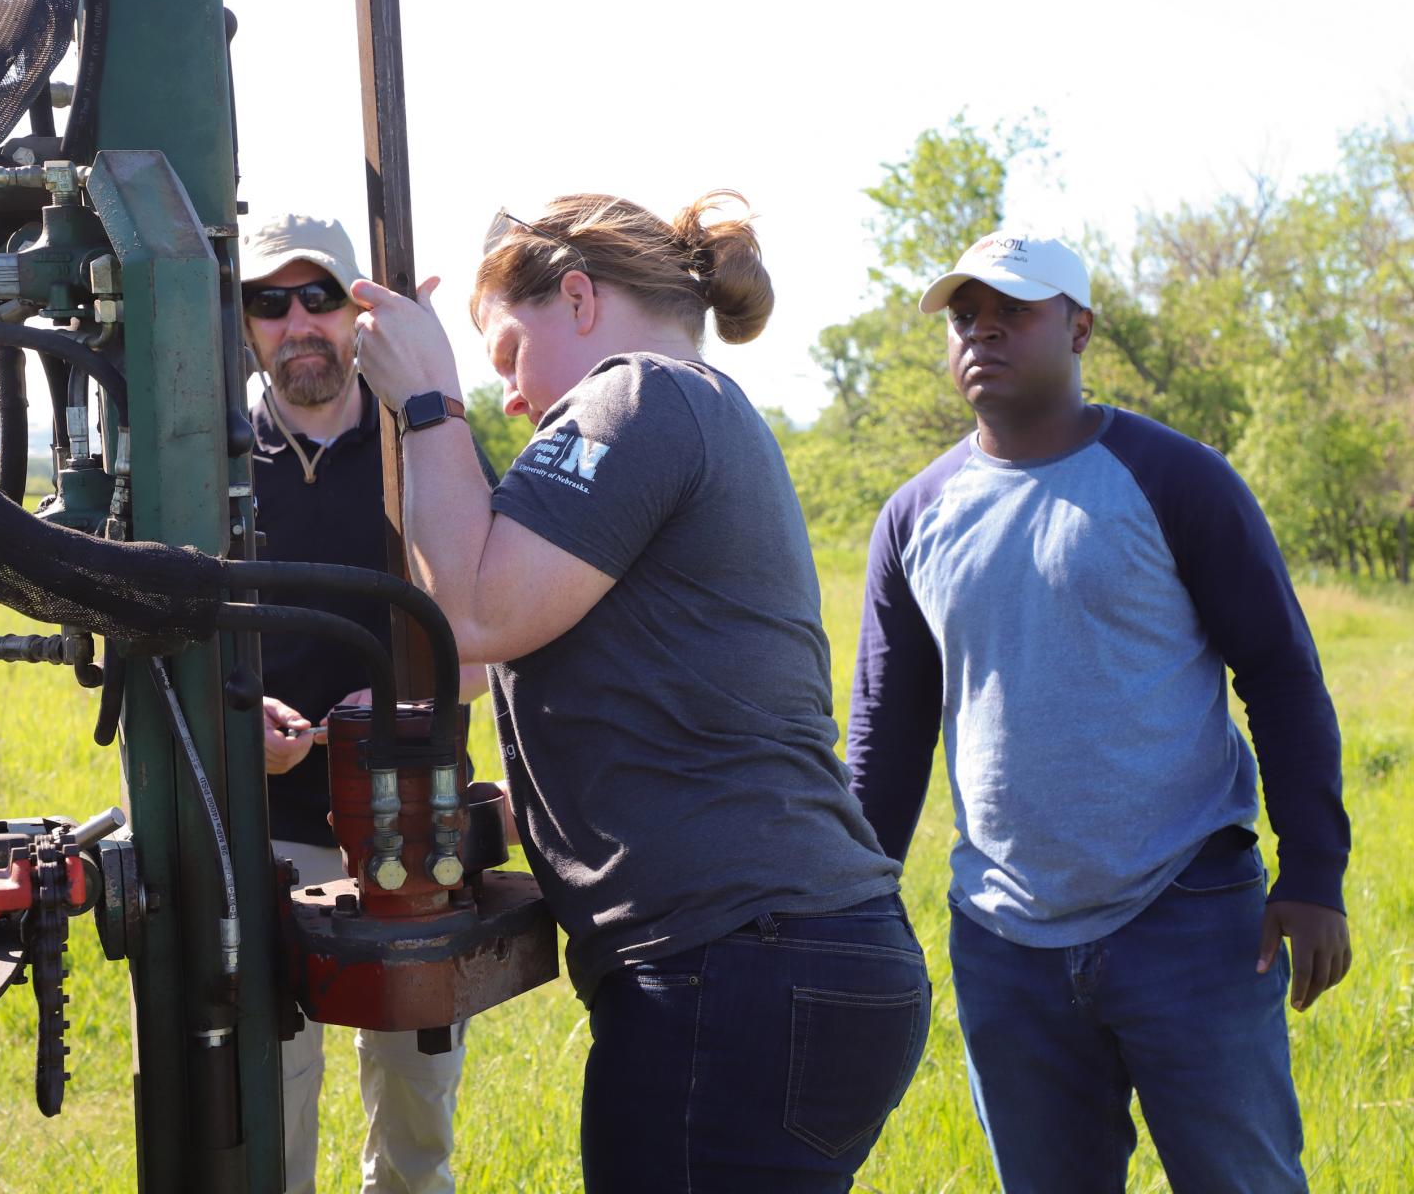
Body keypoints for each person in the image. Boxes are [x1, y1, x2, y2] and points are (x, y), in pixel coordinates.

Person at [348, 191, 928, 1194]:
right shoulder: (686, 413)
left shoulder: (640, 397)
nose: (513, 399)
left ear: (577, 298)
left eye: (505, 357)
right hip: (780, 954)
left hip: (734, 965)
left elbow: (475, 619)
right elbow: (475, 654)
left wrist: (428, 402)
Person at [845, 230, 1353, 1192]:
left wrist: (1315, 873)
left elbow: (1282, 675)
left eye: (1013, 313)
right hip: (1004, 942)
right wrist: (855, 909)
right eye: (964, 316)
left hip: (1190, 919)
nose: (981, 334)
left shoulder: (1175, 480)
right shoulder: (915, 516)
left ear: (1079, 328)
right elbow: (886, 732)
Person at [241, 210, 487, 1194]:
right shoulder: (197, 464)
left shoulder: (425, 449)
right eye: (270, 302)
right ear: (242, 324)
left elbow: (490, 634)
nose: (298, 322)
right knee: (269, 1112)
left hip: (412, 830)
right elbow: (155, 642)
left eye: (320, 297)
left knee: (417, 1120)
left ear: (359, 312)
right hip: (265, 834)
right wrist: (234, 719)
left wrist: (397, 705)